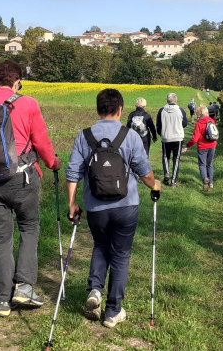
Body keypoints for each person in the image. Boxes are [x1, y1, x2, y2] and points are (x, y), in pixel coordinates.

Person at [0, 60, 62, 317]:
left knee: (0, 238)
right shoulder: (27, 103)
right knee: (29, 227)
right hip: (22, 179)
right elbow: (41, 141)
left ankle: (2, 302)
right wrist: (53, 163)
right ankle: (24, 287)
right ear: (17, 81)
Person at [65, 88, 162, 328]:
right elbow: (144, 172)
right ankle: (112, 312)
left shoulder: (84, 136)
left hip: (95, 207)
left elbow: (73, 174)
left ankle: (95, 289)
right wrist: (155, 185)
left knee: (100, 246)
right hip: (126, 206)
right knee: (120, 255)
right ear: (120, 110)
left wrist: (72, 204)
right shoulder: (130, 136)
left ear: (98, 110)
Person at [182, 106, 217, 192]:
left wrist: (187, 146)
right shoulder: (211, 121)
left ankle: (205, 180)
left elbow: (194, 139)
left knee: (202, 164)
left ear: (201, 113)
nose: (196, 113)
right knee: (210, 164)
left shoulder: (199, 123)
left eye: (197, 112)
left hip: (202, 147)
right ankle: (211, 183)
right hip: (212, 145)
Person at [156, 92, 188, 187]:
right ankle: (173, 181)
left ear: (167, 101)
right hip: (178, 138)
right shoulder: (181, 110)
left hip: (166, 137)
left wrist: (161, 134)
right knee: (176, 159)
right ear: (176, 100)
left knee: (166, 156)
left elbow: (158, 125)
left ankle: (166, 173)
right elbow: (185, 123)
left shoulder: (161, 110)